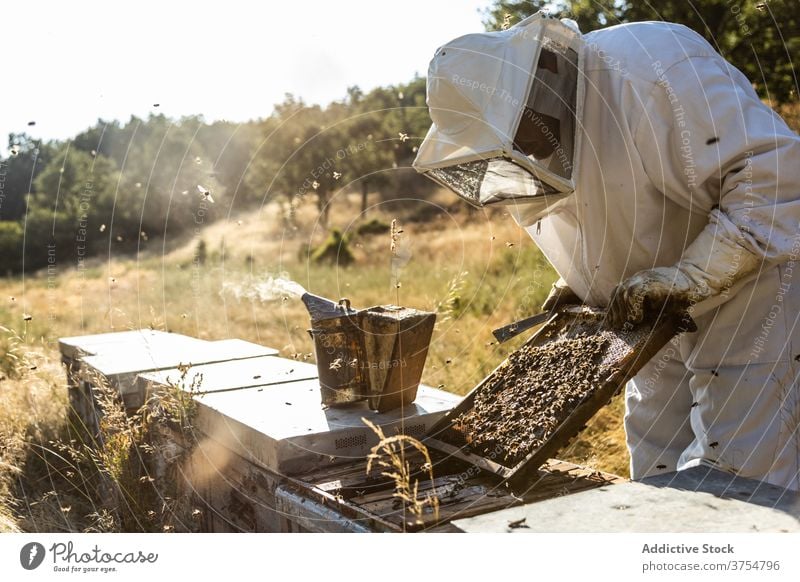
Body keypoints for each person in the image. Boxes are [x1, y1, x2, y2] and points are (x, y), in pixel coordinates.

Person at [413, 12, 800, 490]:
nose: (521, 146)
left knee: (743, 462)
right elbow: (601, 208)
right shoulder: (542, 133)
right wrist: (580, 282)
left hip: (749, 295)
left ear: (543, 74)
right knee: (654, 455)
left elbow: (773, 174)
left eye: (515, 126)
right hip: (641, 306)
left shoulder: (653, 65)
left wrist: (693, 275)